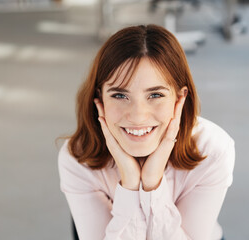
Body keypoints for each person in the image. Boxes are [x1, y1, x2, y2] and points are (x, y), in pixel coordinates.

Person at [58, 24, 235, 240]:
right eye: (120, 96)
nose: (138, 116)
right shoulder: (78, 157)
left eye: (156, 95)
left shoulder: (213, 149)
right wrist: (130, 185)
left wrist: (152, 184)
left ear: (180, 98)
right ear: (100, 99)